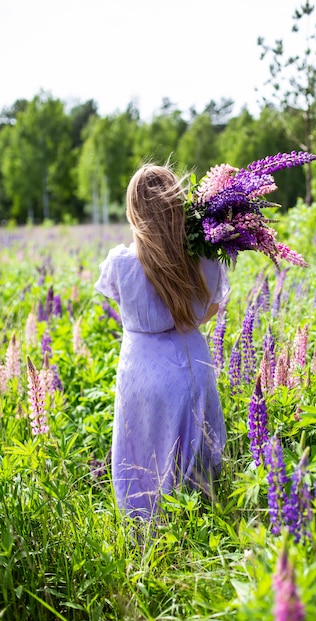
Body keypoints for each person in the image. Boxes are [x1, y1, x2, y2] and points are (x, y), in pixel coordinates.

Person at [94, 163, 230, 520]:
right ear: (179, 205)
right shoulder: (203, 260)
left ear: (133, 211)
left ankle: (144, 530)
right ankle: (198, 528)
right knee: (198, 472)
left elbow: (123, 304)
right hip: (192, 366)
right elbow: (209, 310)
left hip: (142, 375)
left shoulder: (121, 263)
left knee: (142, 458)